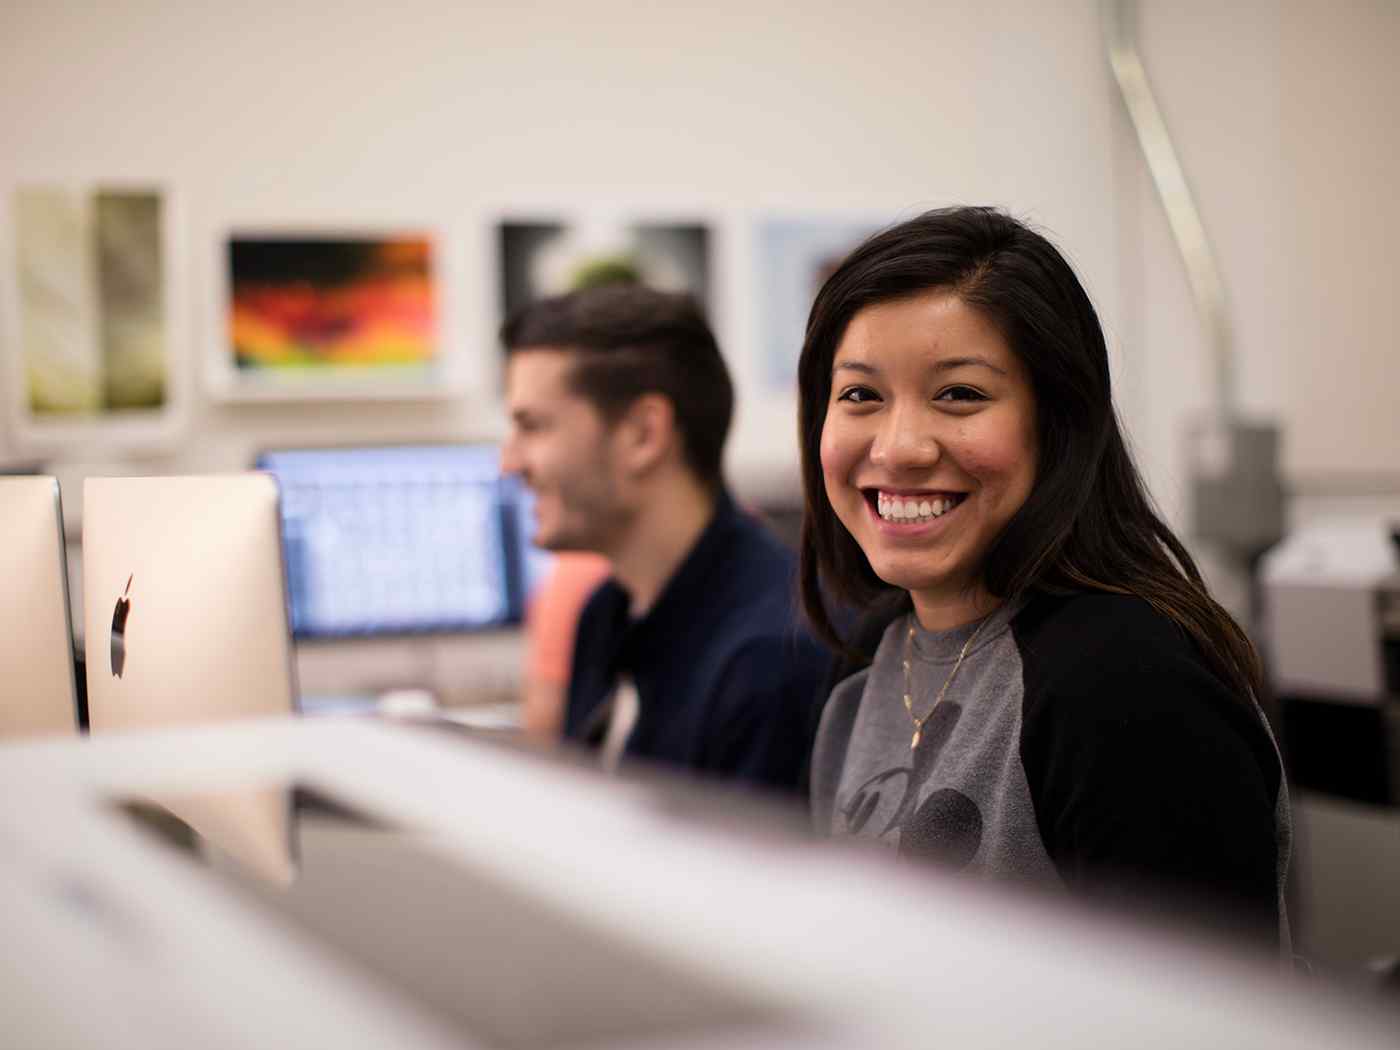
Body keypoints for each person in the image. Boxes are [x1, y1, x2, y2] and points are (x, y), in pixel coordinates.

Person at [800, 206, 1291, 950]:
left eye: (959, 394)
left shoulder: (1126, 683)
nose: (898, 448)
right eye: (861, 395)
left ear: (1057, 421)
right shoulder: (876, 650)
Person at [500, 283, 829, 792]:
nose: (510, 462)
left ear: (643, 434)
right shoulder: (605, 613)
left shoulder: (771, 660)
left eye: (533, 426)